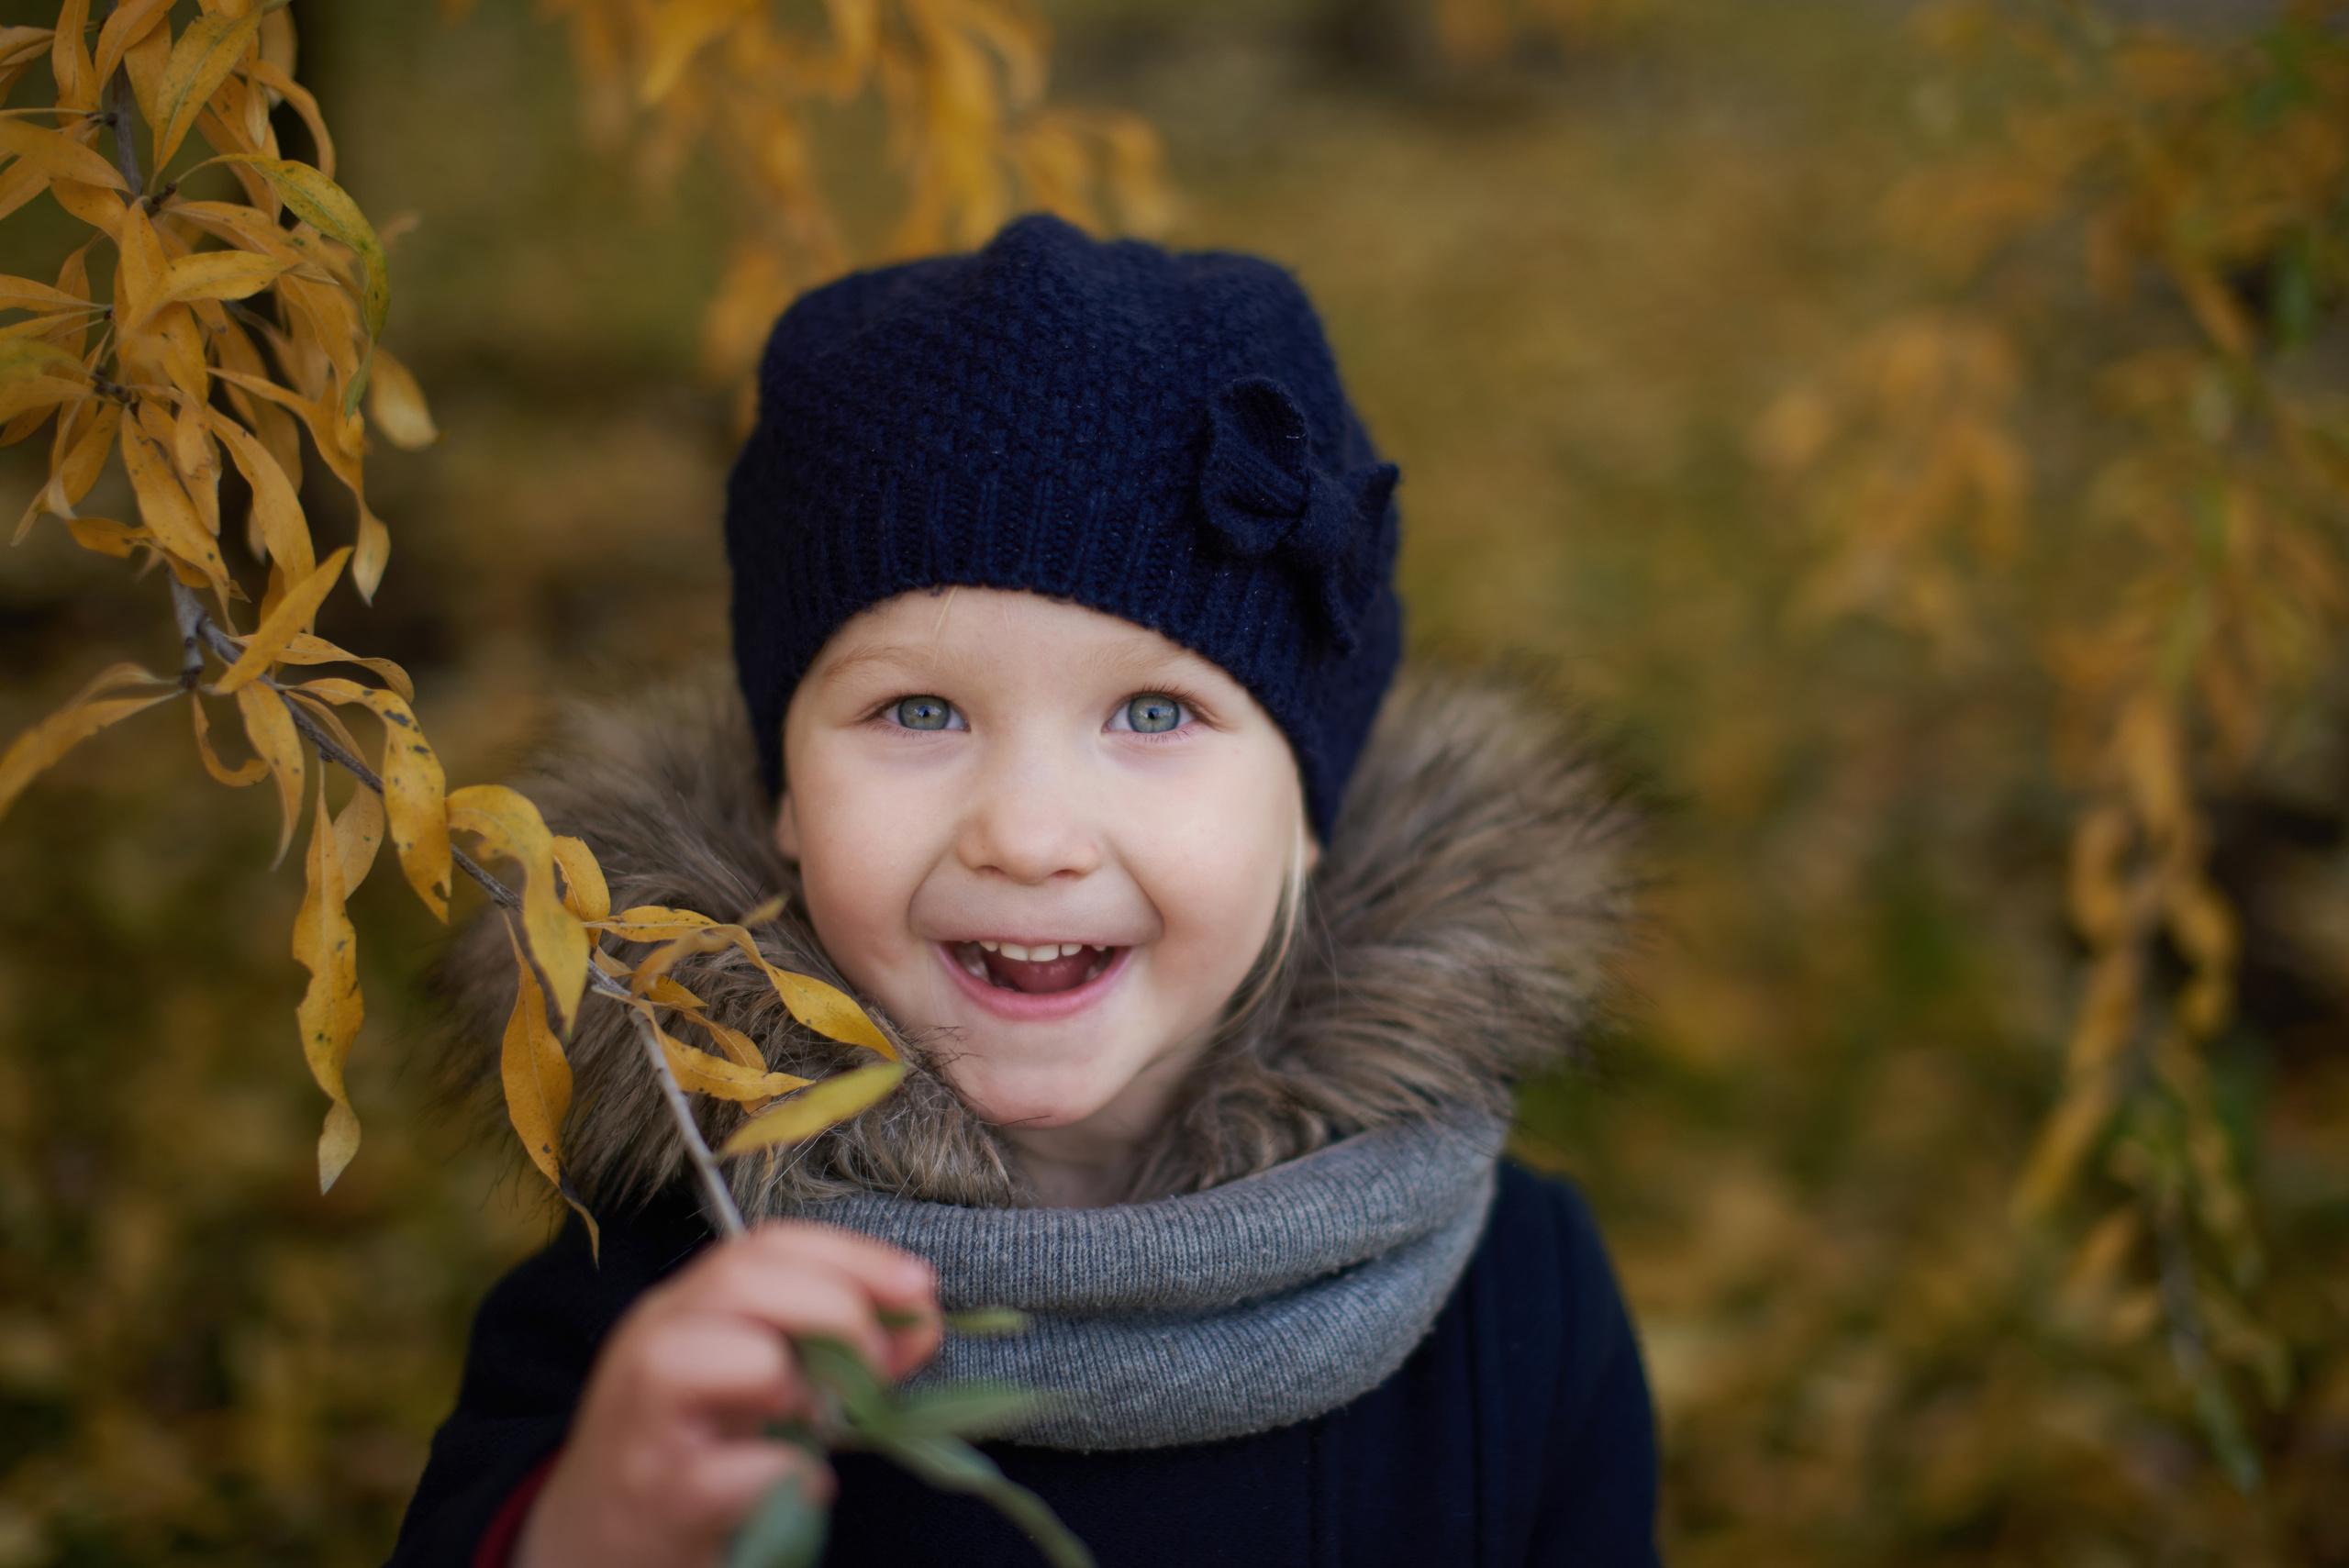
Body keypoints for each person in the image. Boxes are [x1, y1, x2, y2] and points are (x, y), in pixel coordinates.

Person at [389, 214, 1657, 1568]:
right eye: (921, 707)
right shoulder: (661, 1312)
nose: (1031, 834)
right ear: (785, 801)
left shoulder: (1516, 1303)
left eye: (1157, 713)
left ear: (1309, 818)